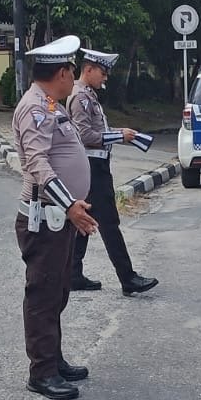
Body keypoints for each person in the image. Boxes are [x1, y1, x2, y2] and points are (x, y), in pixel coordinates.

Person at [12, 35, 98, 400]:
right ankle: (42, 372)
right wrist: (70, 205)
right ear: (62, 72)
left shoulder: (50, 104)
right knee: (43, 296)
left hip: (57, 219)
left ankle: (53, 359)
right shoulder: (34, 107)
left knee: (58, 291)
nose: (73, 79)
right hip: (45, 218)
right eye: (71, 72)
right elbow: (37, 163)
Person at [67, 47, 160, 296]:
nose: (106, 78)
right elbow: (85, 135)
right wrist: (119, 136)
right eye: (103, 72)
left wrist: (122, 132)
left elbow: (98, 130)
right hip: (92, 169)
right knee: (109, 223)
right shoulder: (80, 97)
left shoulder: (88, 95)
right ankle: (128, 278)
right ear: (89, 69)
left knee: (84, 220)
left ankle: (73, 274)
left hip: (94, 167)